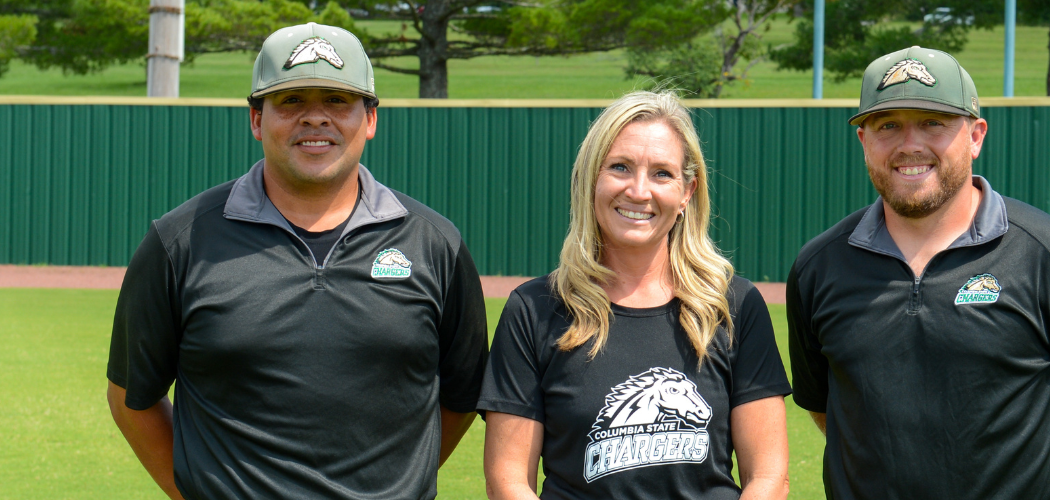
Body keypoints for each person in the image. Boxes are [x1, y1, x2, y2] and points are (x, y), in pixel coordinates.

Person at [105, 22, 488, 499]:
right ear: (256, 119)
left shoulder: (435, 244)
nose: (315, 118)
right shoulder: (179, 242)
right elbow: (130, 399)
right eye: (290, 101)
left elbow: (463, 395)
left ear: (370, 119)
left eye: (336, 100)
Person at [787, 46, 1050, 499]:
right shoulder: (819, 266)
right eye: (888, 125)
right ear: (864, 140)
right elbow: (830, 412)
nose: (909, 144)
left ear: (976, 136)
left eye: (933, 123)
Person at [478, 90, 792, 500]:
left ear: (687, 192)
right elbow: (508, 481)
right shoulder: (533, 310)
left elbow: (768, 476)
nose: (639, 191)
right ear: (591, 180)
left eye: (662, 173)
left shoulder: (733, 307)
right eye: (620, 167)